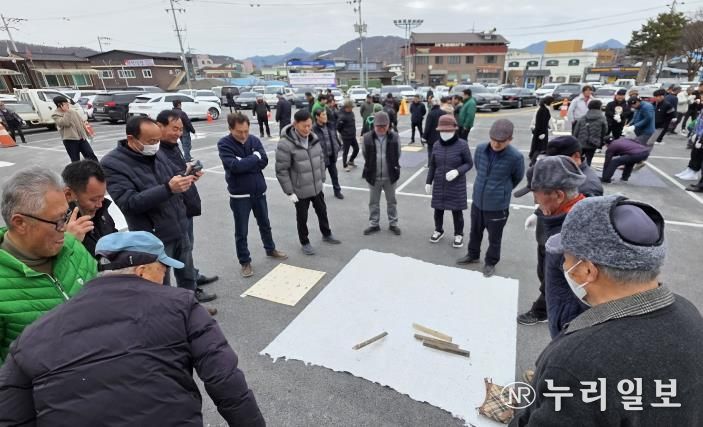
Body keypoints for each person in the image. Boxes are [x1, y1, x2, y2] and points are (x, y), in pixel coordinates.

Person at [0, 231, 266, 426]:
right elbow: (225, 380)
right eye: (162, 270)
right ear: (141, 271)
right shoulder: (181, 305)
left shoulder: (31, 337)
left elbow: (11, 416)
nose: (164, 278)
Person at [511, 196, 703, 426]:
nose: (563, 265)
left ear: (588, 270)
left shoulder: (577, 362)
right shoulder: (688, 312)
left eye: (566, 257)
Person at [100, 116, 217, 306]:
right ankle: (169, 314)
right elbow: (128, 202)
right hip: (153, 236)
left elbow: (170, 177)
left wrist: (186, 176)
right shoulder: (111, 164)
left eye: (157, 140)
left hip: (178, 225)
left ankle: (191, 307)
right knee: (161, 283)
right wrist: (168, 189)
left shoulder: (157, 152)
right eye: (151, 141)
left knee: (187, 275)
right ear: (131, 139)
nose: (155, 145)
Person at [0, 166, 97, 360]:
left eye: (65, 216)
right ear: (20, 223)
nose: (65, 228)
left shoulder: (72, 246)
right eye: (57, 221)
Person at [516, 136, 602, 326]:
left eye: (536, 195)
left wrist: (562, 327)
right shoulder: (560, 210)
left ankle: (541, 311)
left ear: (559, 195)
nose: (535, 201)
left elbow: (576, 293)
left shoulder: (573, 238)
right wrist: (539, 213)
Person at [217, 113, 288, 278]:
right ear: (230, 129)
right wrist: (254, 157)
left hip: (259, 191)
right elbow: (234, 167)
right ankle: (245, 261)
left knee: (265, 224)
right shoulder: (224, 144)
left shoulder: (254, 140)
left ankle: (270, 249)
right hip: (240, 196)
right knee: (241, 231)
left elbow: (264, 161)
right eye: (239, 132)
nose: (243, 135)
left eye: (246, 131)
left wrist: (245, 161)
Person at [155, 110, 219, 290]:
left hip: (184, 206)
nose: (179, 133)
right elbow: (164, 181)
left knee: (187, 248)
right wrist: (182, 177)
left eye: (181, 129)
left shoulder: (173, 146)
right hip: (171, 211)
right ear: (159, 126)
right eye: (174, 129)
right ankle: (187, 291)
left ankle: (193, 277)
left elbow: (178, 172)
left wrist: (188, 172)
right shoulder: (156, 150)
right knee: (175, 254)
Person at [457, 119, 525, 278]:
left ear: (510, 139)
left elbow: (517, 178)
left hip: (497, 206)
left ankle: (491, 262)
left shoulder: (516, 157)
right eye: (493, 139)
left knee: (495, 238)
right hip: (477, 202)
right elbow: (479, 168)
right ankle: (473, 255)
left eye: (501, 141)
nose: (496, 144)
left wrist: (501, 190)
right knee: (475, 232)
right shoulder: (481, 149)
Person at [276, 109, 341, 255]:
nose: (307, 129)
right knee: (302, 217)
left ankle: (326, 233)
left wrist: (322, 179)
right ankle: (304, 242)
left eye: (309, 125)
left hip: (316, 186)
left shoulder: (314, 138)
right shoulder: (285, 144)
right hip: (300, 190)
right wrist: (289, 192)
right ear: (295, 124)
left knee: (322, 211)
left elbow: (321, 159)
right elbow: (281, 170)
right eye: (304, 126)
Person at [425, 115, 473, 248]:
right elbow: (433, 165)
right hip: (440, 182)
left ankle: (459, 234)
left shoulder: (462, 145)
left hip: (456, 184)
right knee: (438, 209)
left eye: (448, 130)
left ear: (454, 130)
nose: (445, 133)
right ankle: (438, 230)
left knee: (457, 211)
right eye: (442, 131)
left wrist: (457, 171)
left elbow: (469, 163)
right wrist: (428, 181)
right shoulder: (436, 145)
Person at [61, 160, 117, 258]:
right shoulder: (57, 229)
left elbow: (114, 236)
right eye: (94, 200)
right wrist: (69, 243)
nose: (99, 204)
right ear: (69, 195)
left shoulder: (100, 211)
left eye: (102, 197)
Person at [362, 111, 402, 236]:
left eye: (384, 126)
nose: (381, 128)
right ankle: (374, 224)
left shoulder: (395, 137)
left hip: (390, 176)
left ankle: (393, 223)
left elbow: (398, 154)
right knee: (373, 202)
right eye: (378, 126)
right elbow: (365, 154)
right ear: (374, 125)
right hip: (373, 176)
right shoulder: (367, 137)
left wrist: (392, 166)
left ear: (388, 125)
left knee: (392, 201)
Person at [51, 96, 98, 162]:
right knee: (75, 160)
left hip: (82, 139)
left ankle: (97, 168)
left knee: (91, 156)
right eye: (65, 103)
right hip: (70, 141)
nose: (68, 105)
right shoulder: (56, 115)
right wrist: (67, 111)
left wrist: (88, 133)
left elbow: (81, 123)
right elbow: (65, 123)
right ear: (59, 104)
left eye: (67, 103)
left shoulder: (73, 112)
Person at [312, 108, 343, 199]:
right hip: (321, 158)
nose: (325, 117)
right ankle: (319, 195)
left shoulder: (330, 125)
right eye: (323, 115)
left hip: (331, 155)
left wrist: (338, 146)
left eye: (325, 114)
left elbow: (335, 137)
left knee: (334, 175)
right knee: (320, 178)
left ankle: (337, 191)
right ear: (317, 117)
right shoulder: (313, 129)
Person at [572, 100, 607, 166]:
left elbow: (576, 130)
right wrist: (601, 141)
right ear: (600, 107)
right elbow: (604, 131)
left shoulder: (583, 117)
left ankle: (576, 170)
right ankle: (586, 170)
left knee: (578, 158)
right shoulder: (602, 118)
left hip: (581, 141)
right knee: (589, 159)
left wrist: (575, 140)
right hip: (593, 142)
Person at [528, 96, 554, 165]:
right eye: (552, 102)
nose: (552, 104)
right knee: (539, 148)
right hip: (541, 132)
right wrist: (541, 133)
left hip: (540, 131)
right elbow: (541, 122)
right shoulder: (544, 110)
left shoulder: (542, 109)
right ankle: (533, 161)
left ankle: (533, 160)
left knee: (539, 147)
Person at [423, 97, 447, 166]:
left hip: (431, 136)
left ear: (432, 104)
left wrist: (424, 137)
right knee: (441, 150)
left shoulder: (431, 113)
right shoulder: (444, 113)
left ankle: (430, 164)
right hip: (442, 135)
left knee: (431, 150)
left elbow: (427, 126)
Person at [337, 100, 359, 171]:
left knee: (357, 149)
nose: (352, 108)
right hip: (346, 137)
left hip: (352, 135)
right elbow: (338, 127)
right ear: (347, 107)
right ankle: (345, 166)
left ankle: (351, 161)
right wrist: (344, 133)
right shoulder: (342, 116)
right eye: (351, 107)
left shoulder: (351, 113)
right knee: (346, 152)